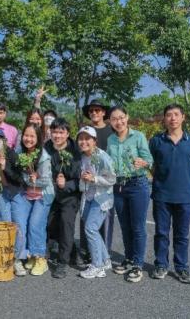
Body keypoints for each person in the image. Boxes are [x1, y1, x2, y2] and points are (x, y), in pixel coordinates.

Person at [149, 104, 190, 284]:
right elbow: (152, 166)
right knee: (161, 233)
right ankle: (161, 265)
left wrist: (183, 177)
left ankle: (182, 268)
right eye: (168, 115)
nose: (172, 118)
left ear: (183, 117)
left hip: (185, 196)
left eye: (176, 115)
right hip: (161, 195)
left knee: (182, 234)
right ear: (164, 119)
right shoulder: (156, 141)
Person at [106, 106, 153, 283]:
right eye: (114, 119)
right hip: (118, 186)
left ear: (127, 117)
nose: (118, 121)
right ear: (110, 121)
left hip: (137, 184)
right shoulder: (111, 139)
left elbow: (149, 159)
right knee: (125, 225)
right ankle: (129, 258)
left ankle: (138, 265)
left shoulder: (138, 136)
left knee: (138, 226)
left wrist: (144, 162)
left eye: (121, 117)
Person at [11, 123, 55, 277]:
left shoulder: (43, 156)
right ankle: (29, 255)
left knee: (36, 224)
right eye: (26, 135)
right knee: (21, 223)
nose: (28, 139)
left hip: (43, 194)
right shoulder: (19, 152)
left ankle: (41, 259)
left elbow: (45, 181)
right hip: (26, 193)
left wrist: (31, 179)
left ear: (38, 138)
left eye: (32, 136)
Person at [76, 126, 116, 279]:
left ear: (94, 141)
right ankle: (105, 260)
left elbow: (112, 178)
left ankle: (97, 266)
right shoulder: (83, 156)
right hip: (88, 197)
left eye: (87, 138)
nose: (84, 141)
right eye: (81, 138)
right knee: (92, 229)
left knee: (91, 229)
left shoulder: (102, 157)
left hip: (102, 198)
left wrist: (94, 179)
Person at [43, 118, 81, 279]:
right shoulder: (46, 148)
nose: (57, 135)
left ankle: (62, 262)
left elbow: (80, 178)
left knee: (66, 225)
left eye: (61, 132)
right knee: (50, 224)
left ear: (67, 134)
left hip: (70, 196)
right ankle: (71, 250)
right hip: (50, 194)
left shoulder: (76, 151)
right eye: (55, 132)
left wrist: (65, 185)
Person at [80, 99, 115, 263]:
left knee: (101, 224)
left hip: (104, 188)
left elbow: (110, 165)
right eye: (91, 110)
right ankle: (91, 253)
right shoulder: (84, 132)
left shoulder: (110, 131)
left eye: (97, 110)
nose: (94, 113)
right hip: (89, 190)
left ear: (103, 112)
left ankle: (101, 258)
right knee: (87, 223)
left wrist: (96, 178)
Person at [0, 128, 24, 223]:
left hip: (15, 191)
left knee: (19, 222)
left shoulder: (12, 154)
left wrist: (5, 167)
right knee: (4, 222)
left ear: (4, 141)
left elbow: (20, 178)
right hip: (0, 193)